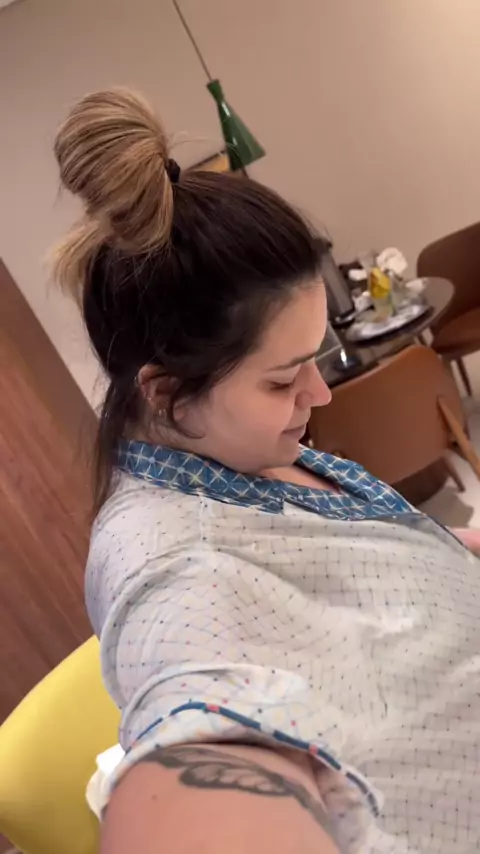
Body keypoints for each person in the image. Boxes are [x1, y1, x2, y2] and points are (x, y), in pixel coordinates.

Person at [53, 89, 480, 854]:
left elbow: (373, 569)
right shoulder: (169, 567)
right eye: (283, 380)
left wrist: (454, 550)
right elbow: (196, 727)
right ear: (166, 393)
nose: (318, 395)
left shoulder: (237, 452)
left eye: (314, 362)